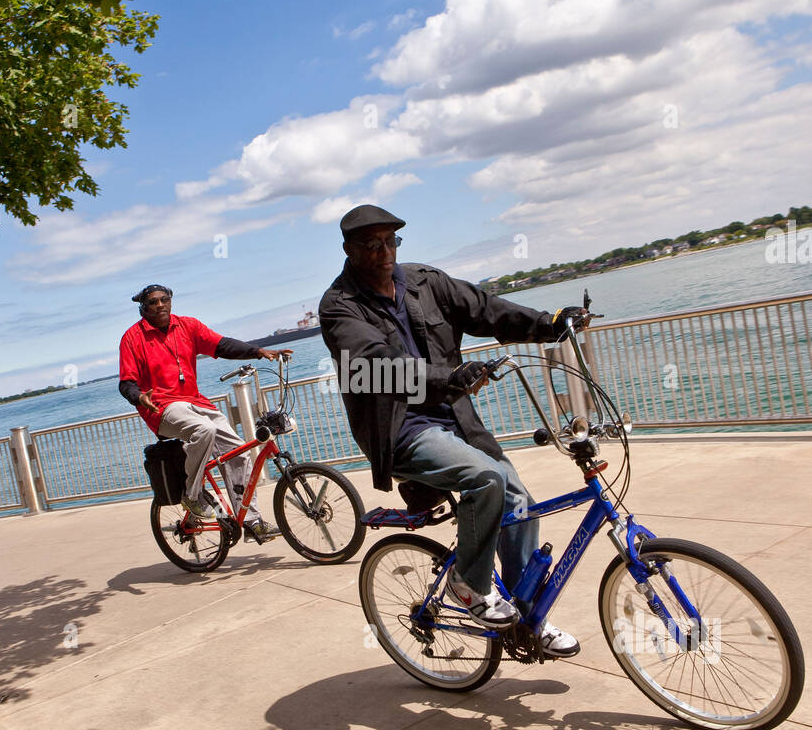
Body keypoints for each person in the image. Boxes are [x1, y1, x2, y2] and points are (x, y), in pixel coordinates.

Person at [318, 205, 586, 656]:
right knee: (486, 479)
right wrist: (447, 379)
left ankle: (527, 619)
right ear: (349, 250)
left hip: (456, 419)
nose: (385, 252)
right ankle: (468, 582)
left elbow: (486, 310)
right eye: (373, 244)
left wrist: (550, 323)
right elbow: (376, 363)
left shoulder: (425, 281)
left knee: (519, 502)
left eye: (391, 241)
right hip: (401, 429)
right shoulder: (339, 307)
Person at [118, 283, 291, 545]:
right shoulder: (132, 337)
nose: (160, 305)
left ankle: (252, 521)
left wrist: (257, 351)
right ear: (143, 308)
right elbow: (126, 381)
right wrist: (139, 397)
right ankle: (192, 493)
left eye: (164, 299)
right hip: (161, 408)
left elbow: (221, 345)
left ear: (171, 301)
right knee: (204, 430)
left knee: (238, 452)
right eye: (153, 302)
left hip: (197, 403)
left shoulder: (187, 326)